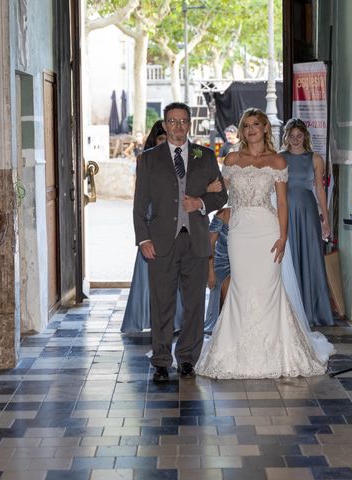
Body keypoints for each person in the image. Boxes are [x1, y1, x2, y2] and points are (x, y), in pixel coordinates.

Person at [195, 108, 334, 379]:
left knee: (269, 289)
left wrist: (283, 237)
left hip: (267, 232)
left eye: (255, 124)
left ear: (266, 128)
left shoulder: (278, 162)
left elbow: (282, 203)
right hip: (240, 231)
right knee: (241, 288)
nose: (250, 130)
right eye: (246, 125)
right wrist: (207, 194)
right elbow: (221, 192)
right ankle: (234, 353)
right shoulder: (232, 159)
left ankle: (277, 352)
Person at [133, 102, 228, 383]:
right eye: (172, 121)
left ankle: (187, 359)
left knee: (194, 304)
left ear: (190, 125)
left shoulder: (206, 156)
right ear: (164, 124)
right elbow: (140, 205)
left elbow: (220, 196)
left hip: (196, 241)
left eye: (183, 121)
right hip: (161, 242)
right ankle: (161, 360)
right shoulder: (149, 159)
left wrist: (199, 201)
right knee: (162, 303)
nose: (178, 126)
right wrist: (143, 239)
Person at [122, 121, 222, 334]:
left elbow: (192, 189)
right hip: (156, 220)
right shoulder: (147, 159)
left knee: (187, 287)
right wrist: (144, 236)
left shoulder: (198, 155)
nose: (163, 143)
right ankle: (151, 323)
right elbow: (156, 192)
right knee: (154, 281)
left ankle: (180, 329)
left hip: (190, 228)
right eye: (159, 139)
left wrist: (202, 195)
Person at [280, 119, 335, 327]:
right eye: (291, 136)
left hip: (307, 210)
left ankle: (314, 310)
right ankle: (291, 309)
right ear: (286, 137)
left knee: (311, 255)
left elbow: (320, 189)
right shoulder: (279, 158)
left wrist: (325, 219)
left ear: (305, 136)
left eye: (299, 135)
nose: (295, 139)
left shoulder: (316, 159)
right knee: (289, 257)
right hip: (286, 210)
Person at [204, 207, 230, 334]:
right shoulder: (223, 214)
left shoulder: (254, 216)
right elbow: (210, 244)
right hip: (222, 263)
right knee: (229, 285)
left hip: (243, 264)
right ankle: (225, 327)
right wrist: (210, 272)